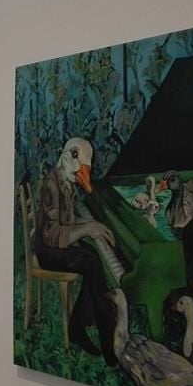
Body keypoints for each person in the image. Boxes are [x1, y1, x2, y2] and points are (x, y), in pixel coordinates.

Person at [35, 138, 120, 365]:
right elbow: (52, 235)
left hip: (55, 244)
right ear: (66, 156)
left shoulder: (64, 180)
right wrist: (88, 229)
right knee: (91, 262)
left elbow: (68, 220)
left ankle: (78, 327)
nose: (83, 171)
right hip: (47, 251)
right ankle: (108, 342)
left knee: (92, 259)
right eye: (76, 158)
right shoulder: (52, 185)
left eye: (86, 166)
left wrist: (91, 225)